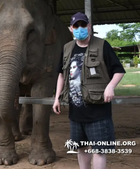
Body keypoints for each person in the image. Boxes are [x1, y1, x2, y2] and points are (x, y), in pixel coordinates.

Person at [52, 12, 125, 169]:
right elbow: (61, 75)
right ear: (71, 29)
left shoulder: (102, 45)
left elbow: (119, 70)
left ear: (89, 26)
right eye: (76, 26)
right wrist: (57, 97)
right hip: (76, 111)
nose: (80, 28)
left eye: (83, 25)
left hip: (98, 110)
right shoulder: (67, 48)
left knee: (99, 150)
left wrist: (110, 86)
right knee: (81, 147)